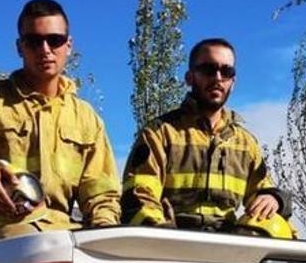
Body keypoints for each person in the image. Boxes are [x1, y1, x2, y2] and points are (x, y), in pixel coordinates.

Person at [0, 0, 119, 247]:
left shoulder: (87, 118)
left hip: (64, 235)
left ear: (69, 45)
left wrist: (106, 237)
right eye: (33, 41)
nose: (45, 49)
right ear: (20, 47)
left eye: (55, 40)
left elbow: (102, 194)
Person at [121, 38, 290, 231]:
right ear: (190, 77)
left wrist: (273, 198)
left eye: (226, 72)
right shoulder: (160, 132)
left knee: (274, 225)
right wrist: (162, 231)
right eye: (209, 70)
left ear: (232, 82)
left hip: (229, 242)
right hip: (172, 237)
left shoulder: (245, 143)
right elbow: (138, 192)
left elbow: (262, 189)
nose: (218, 78)